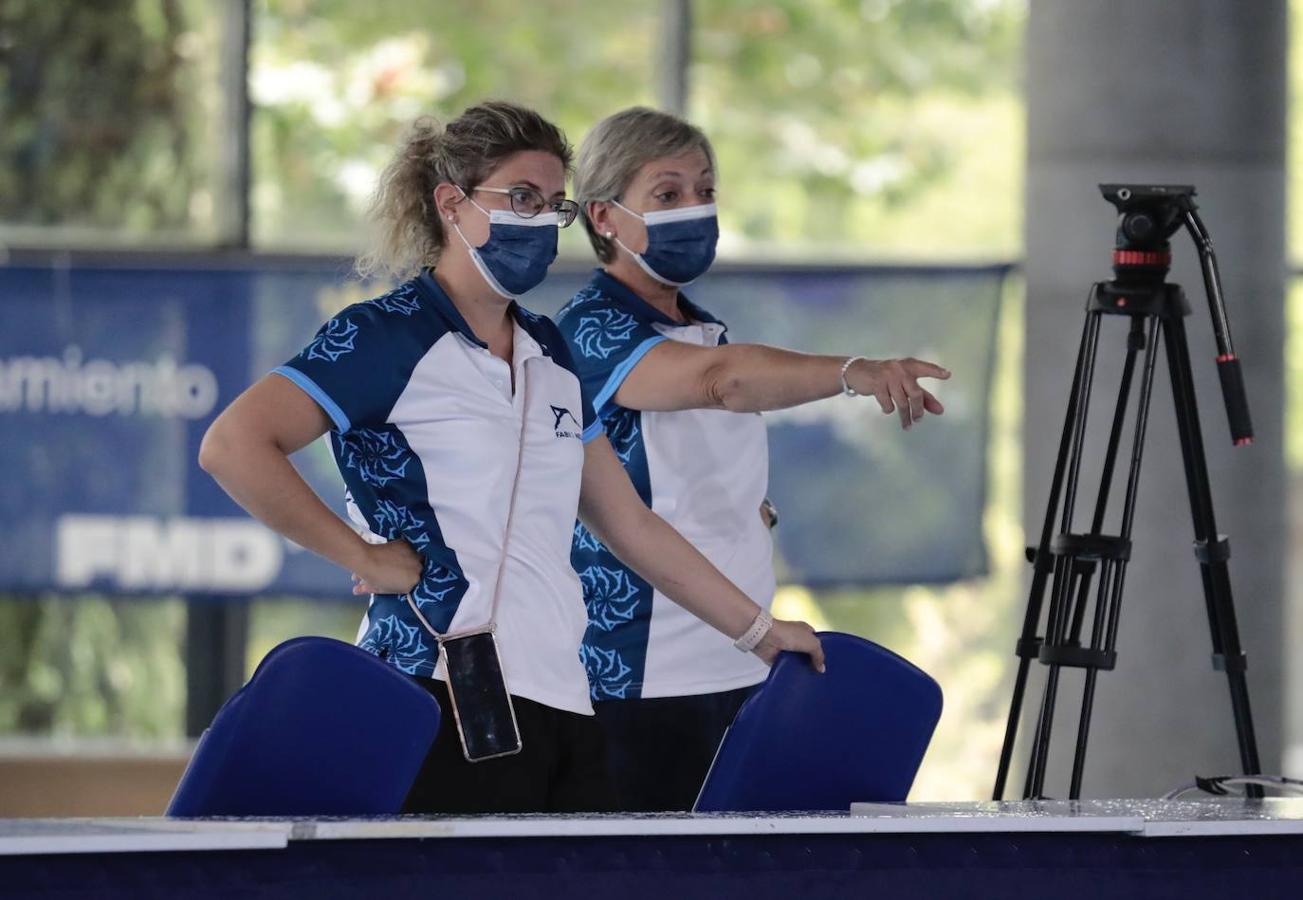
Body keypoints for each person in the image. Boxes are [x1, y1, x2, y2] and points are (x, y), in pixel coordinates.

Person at [198, 101, 824, 815]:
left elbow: (631, 526)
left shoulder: (548, 351)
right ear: (451, 204)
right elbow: (234, 446)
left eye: (552, 205)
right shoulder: (384, 335)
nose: (539, 222)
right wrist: (363, 557)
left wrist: (759, 632)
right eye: (520, 198)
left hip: (562, 693)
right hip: (435, 684)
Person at [556, 106, 950, 812]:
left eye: (705, 190)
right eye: (667, 193)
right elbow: (722, 383)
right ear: (604, 218)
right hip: (642, 671)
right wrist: (853, 370)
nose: (695, 209)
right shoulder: (588, 328)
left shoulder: (702, 327)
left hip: (736, 655)